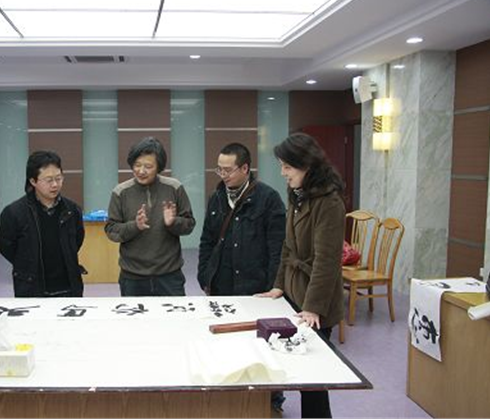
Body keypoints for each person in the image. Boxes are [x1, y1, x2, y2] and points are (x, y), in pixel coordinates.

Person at [257, 132, 346, 418]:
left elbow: (327, 261)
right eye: (282, 166)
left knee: (313, 381)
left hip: (317, 302)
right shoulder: (298, 195)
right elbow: (288, 246)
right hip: (296, 293)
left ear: (307, 165)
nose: (283, 173)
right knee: (299, 371)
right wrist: (279, 286)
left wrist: (312, 307)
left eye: (288, 166)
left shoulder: (329, 203)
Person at [105, 136, 195, 296]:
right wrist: (135, 226)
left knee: (174, 313)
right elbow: (111, 230)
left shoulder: (174, 188)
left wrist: (173, 222)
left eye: (148, 166)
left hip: (169, 274)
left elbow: (189, 224)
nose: (141, 171)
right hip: (132, 276)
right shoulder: (121, 192)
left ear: (159, 166)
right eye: (137, 165)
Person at [197, 142, 286, 296]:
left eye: (228, 170)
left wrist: (274, 285)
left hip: (255, 287)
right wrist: (204, 276)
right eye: (219, 169)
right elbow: (207, 241)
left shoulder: (268, 198)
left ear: (245, 168)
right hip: (220, 286)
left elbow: (276, 247)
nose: (223, 175)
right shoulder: (216, 198)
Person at [0, 150, 85, 297]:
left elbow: (77, 241)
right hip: (31, 287)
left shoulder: (72, 210)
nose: (55, 184)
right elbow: (7, 247)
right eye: (48, 180)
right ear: (33, 181)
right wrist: (27, 264)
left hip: (68, 287)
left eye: (58, 178)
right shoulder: (14, 213)